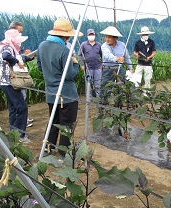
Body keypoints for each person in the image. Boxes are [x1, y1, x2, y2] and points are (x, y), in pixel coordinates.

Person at [37, 18, 82, 160]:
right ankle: (64, 154)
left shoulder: (42, 46)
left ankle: (48, 149)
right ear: (66, 36)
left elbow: (39, 67)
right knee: (67, 125)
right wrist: (76, 65)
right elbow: (69, 75)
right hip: (66, 95)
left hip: (51, 93)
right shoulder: (64, 50)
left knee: (53, 122)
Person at [0, 29, 30, 143]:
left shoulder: (5, 47)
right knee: (22, 108)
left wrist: (26, 58)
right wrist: (17, 61)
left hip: (5, 83)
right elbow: (6, 56)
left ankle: (13, 133)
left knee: (13, 109)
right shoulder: (8, 48)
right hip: (11, 82)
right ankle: (20, 135)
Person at [9, 20, 35, 127]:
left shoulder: (17, 45)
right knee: (19, 104)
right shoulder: (8, 45)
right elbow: (13, 59)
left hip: (20, 76)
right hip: (15, 77)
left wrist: (29, 56)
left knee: (20, 101)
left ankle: (21, 121)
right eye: (19, 32)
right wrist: (23, 57)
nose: (20, 34)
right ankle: (19, 126)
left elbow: (21, 59)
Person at [100, 26, 133, 104]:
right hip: (108, 69)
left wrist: (130, 68)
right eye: (106, 37)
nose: (107, 39)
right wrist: (117, 59)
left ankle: (119, 106)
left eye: (109, 37)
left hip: (119, 69)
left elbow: (127, 57)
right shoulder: (104, 46)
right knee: (105, 89)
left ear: (115, 38)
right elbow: (107, 55)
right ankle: (103, 108)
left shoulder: (122, 45)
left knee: (120, 88)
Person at [78, 28, 102, 99]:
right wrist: (82, 64)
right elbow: (79, 55)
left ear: (94, 35)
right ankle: (89, 98)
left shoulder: (98, 45)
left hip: (97, 67)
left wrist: (101, 65)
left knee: (98, 84)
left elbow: (102, 55)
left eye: (92, 34)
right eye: (90, 34)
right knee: (88, 84)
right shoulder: (84, 44)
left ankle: (98, 98)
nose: (91, 35)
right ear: (87, 35)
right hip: (88, 68)